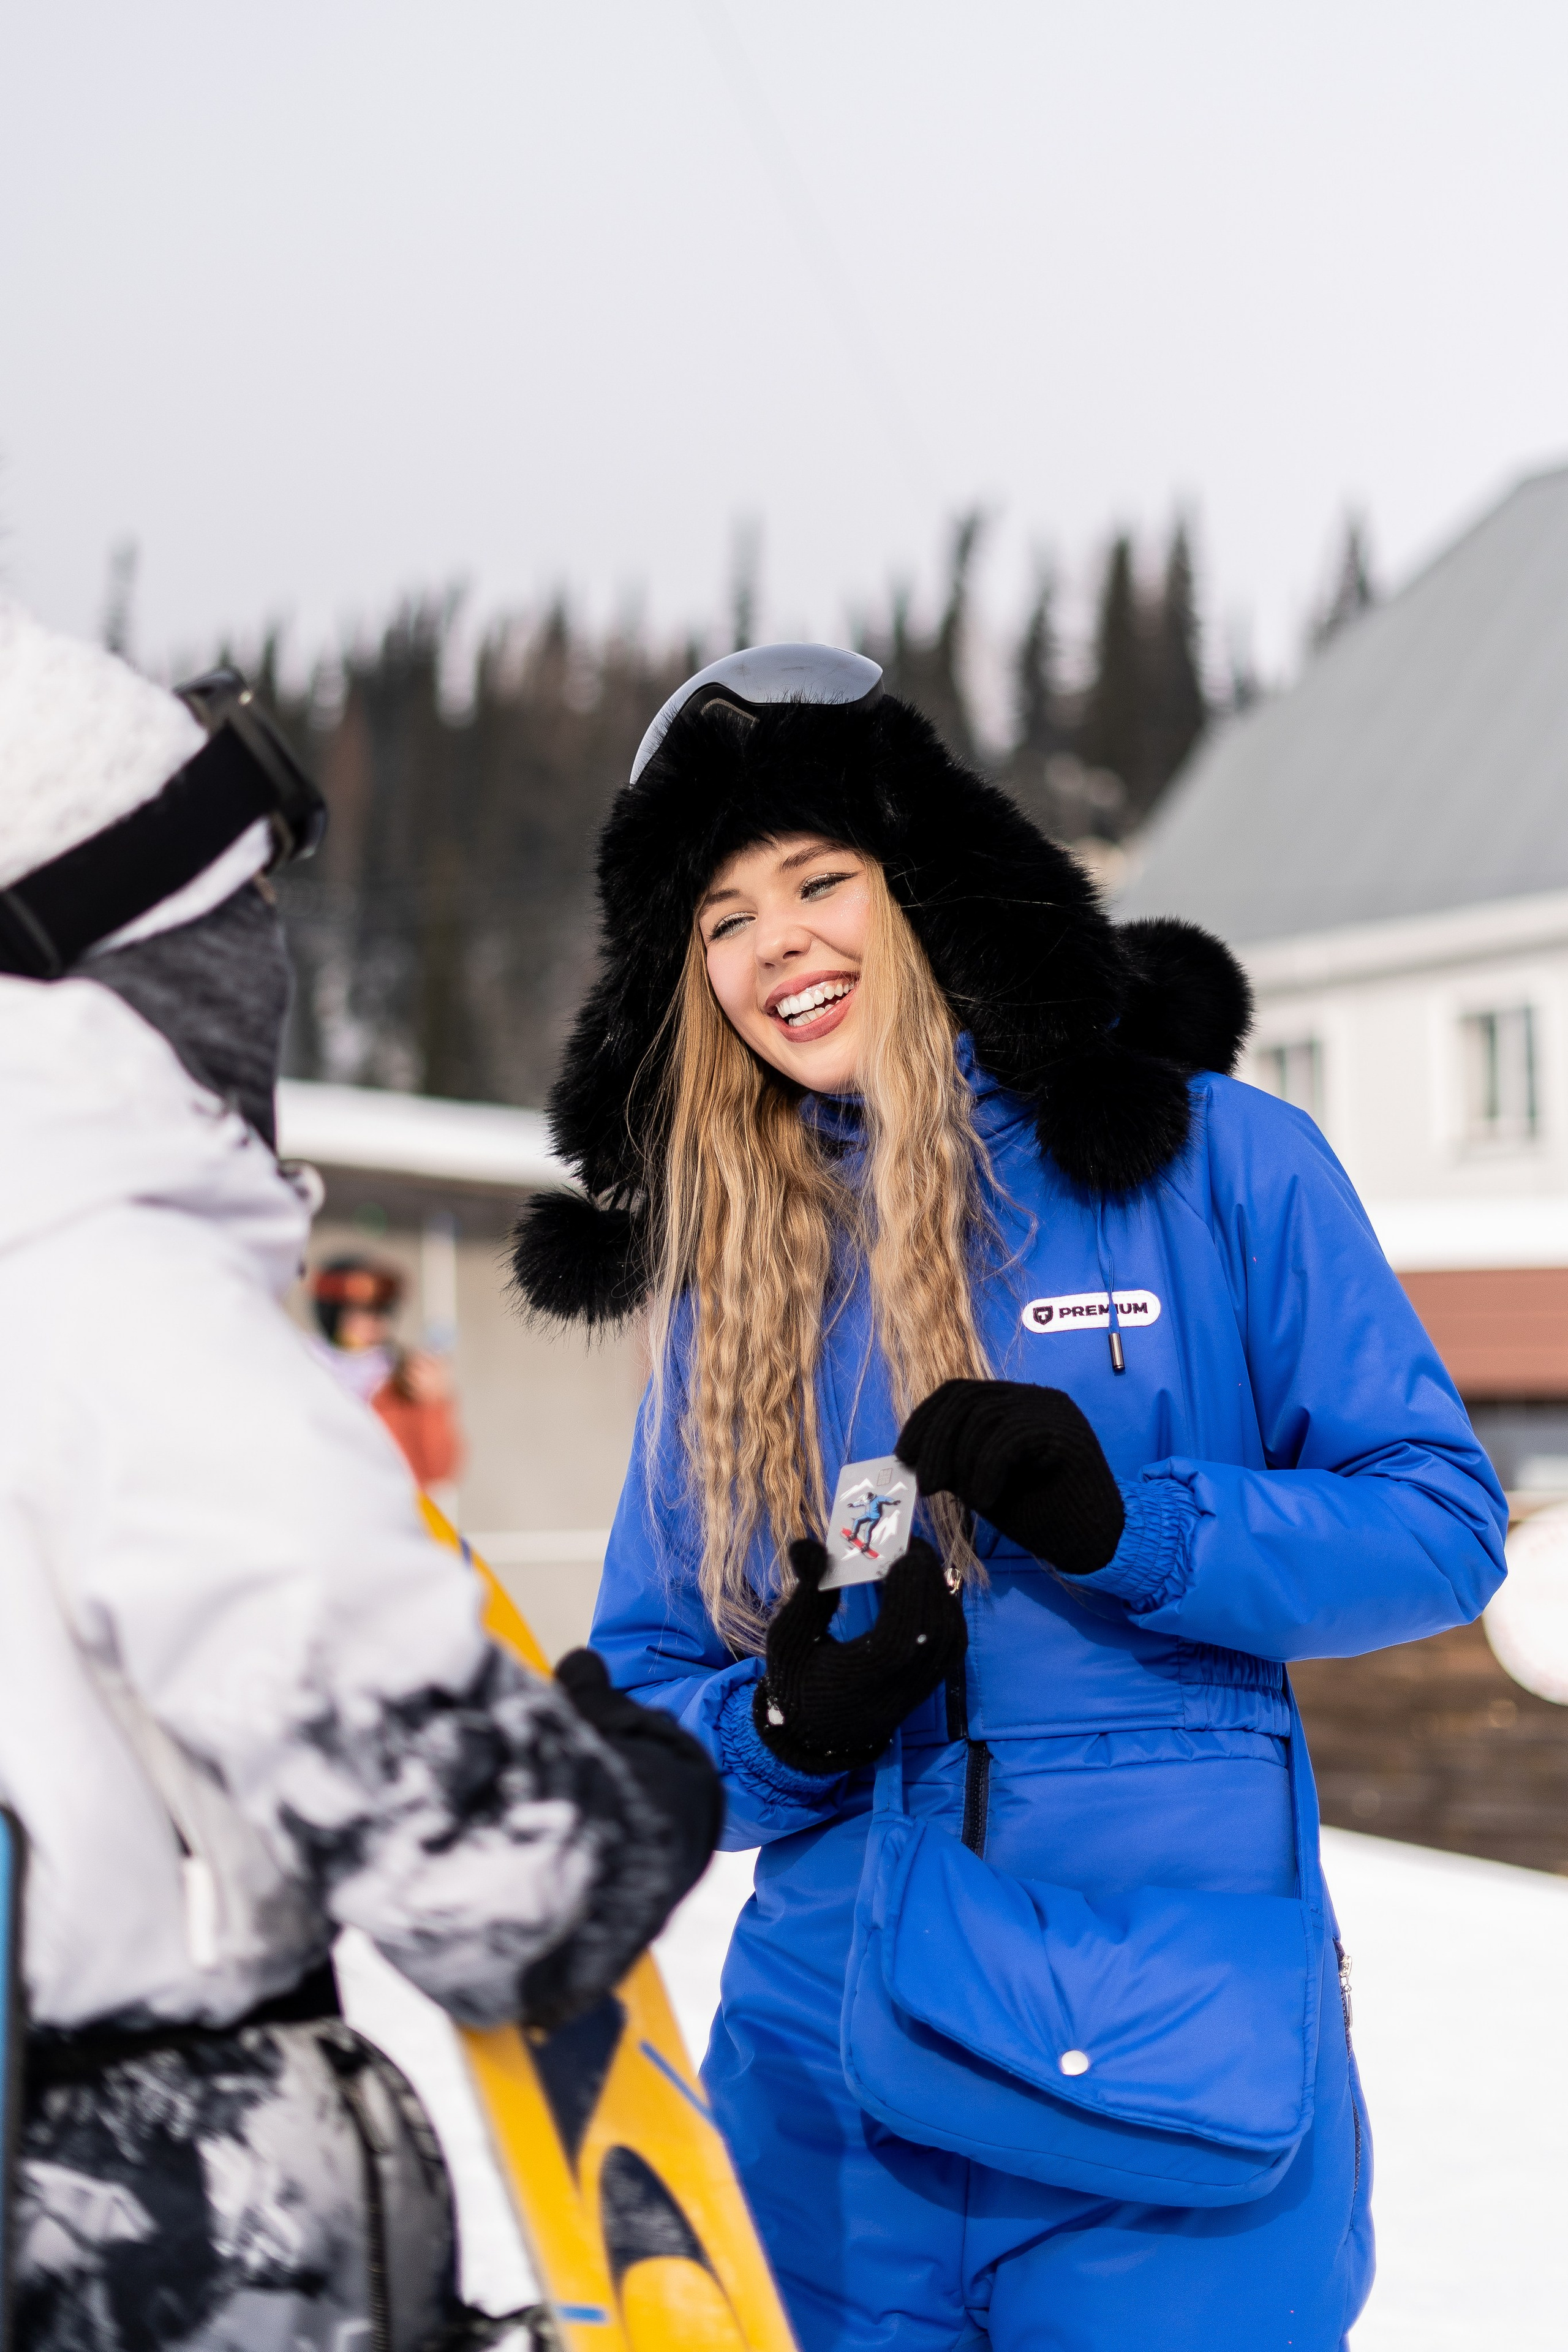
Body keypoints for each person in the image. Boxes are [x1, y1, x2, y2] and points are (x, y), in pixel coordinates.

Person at [512, 644, 1509, 2352]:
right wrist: (783, 1719)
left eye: (821, 880)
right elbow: (638, 1699)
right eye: (723, 921)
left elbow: (1437, 1523)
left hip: (1159, 2073)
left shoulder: (1213, 1164)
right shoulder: (726, 1274)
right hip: (826, 2116)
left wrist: (1140, 1526)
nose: (779, 949)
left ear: (931, 889)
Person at [0, 603, 723, 2352]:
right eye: (229, 930)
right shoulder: (90, 1262)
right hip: (139, 2209)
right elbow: (500, 1878)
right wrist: (627, 1789)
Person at [309, 1256, 464, 1491]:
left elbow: (439, 1470)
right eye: (362, 1310)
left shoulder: (405, 1378)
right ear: (333, 1313)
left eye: (382, 1310)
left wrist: (436, 1403)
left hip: (386, 1516)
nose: (375, 1320)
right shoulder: (304, 1368)